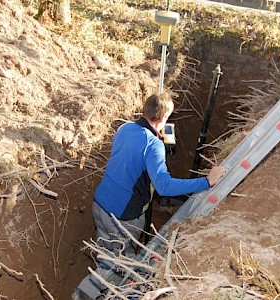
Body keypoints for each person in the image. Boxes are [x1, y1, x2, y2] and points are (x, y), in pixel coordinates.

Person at [75, 92, 226, 300]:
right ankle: (82, 296)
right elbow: (163, 186)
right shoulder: (153, 145)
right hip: (122, 218)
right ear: (164, 118)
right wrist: (206, 181)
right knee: (114, 267)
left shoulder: (125, 128)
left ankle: (108, 291)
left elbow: (131, 157)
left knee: (107, 255)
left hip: (100, 205)